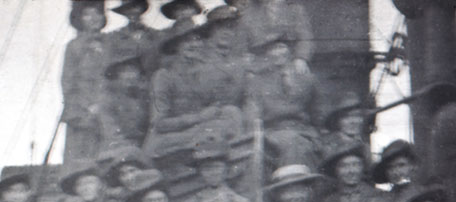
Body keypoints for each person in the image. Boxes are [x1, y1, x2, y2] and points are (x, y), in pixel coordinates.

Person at [145, 23, 244, 161]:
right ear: (176, 47)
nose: (194, 45)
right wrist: (199, 117)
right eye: (187, 41)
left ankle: (233, 163)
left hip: (194, 132)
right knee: (212, 131)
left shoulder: (201, 73)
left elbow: (219, 102)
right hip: (166, 141)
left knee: (232, 113)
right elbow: (159, 124)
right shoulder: (163, 76)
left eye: (197, 40)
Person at [248, 31, 323, 168]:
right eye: (272, 49)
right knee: (292, 144)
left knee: (307, 147)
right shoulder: (259, 81)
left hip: (304, 131)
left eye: (281, 47)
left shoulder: (306, 78)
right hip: (273, 132)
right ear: (267, 53)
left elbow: (318, 112)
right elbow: (254, 113)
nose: (277, 53)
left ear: (290, 50)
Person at [61, 0, 109, 161]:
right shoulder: (74, 46)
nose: (94, 18)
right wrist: (87, 107)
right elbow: (68, 84)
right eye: (87, 14)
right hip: (82, 113)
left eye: (97, 13)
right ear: (79, 19)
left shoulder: (112, 43)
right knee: (82, 158)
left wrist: (103, 103)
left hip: (109, 109)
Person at [176, 139, 252, 202]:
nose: (212, 173)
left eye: (217, 167)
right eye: (207, 168)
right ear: (200, 172)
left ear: (226, 168)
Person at [98, 51, 151, 148]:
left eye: (134, 70)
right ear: (117, 75)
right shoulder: (109, 98)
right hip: (116, 147)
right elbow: (111, 132)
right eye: (125, 71)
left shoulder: (145, 97)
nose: (130, 75)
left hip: (143, 146)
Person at [104, 0, 158, 74]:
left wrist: (144, 42)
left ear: (141, 11)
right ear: (125, 14)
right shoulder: (117, 35)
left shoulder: (152, 34)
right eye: (129, 11)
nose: (133, 14)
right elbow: (111, 57)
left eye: (136, 10)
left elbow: (156, 59)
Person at [321, 92, 373, 168]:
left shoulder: (364, 146)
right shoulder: (328, 145)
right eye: (347, 117)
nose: (353, 121)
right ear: (337, 121)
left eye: (357, 116)